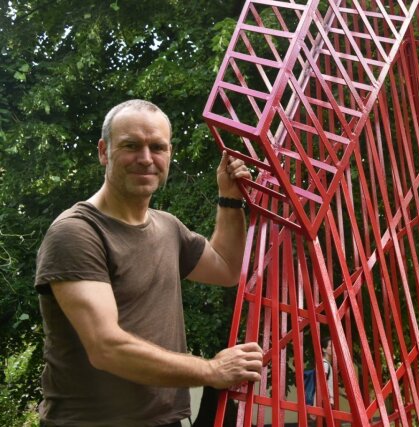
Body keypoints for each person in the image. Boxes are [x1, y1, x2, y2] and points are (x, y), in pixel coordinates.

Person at [34, 99, 263, 427]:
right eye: (131, 146)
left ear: (169, 153)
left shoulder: (167, 228)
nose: (145, 159)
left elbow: (227, 268)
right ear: (104, 151)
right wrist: (212, 371)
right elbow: (106, 347)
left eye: (157, 147)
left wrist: (230, 198)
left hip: (164, 421)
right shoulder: (77, 233)